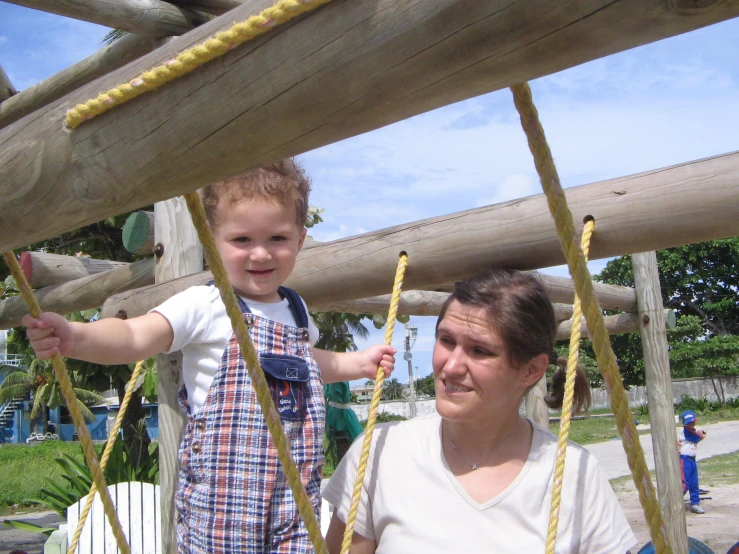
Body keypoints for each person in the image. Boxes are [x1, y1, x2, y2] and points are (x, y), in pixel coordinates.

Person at [22, 159, 396, 554]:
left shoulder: (296, 310)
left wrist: (359, 363)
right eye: (242, 240)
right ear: (211, 240)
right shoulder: (205, 304)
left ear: (300, 241)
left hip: (293, 501)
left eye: (277, 239)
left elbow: (309, 362)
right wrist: (76, 336)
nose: (261, 254)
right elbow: (134, 335)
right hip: (223, 506)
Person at [323, 269, 637, 554]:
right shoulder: (379, 452)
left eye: (480, 350)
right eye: (446, 340)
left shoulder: (574, 474)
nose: (451, 366)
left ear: (531, 371)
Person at [678, 409, 707, 514]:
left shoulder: (691, 430)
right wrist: (702, 434)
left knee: (694, 483)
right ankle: (674, 502)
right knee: (685, 483)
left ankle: (695, 503)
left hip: (692, 459)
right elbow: (697, 437)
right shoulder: (686, 431)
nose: (691, 423)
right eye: (688, 422)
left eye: (692, 421)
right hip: (684, 459)